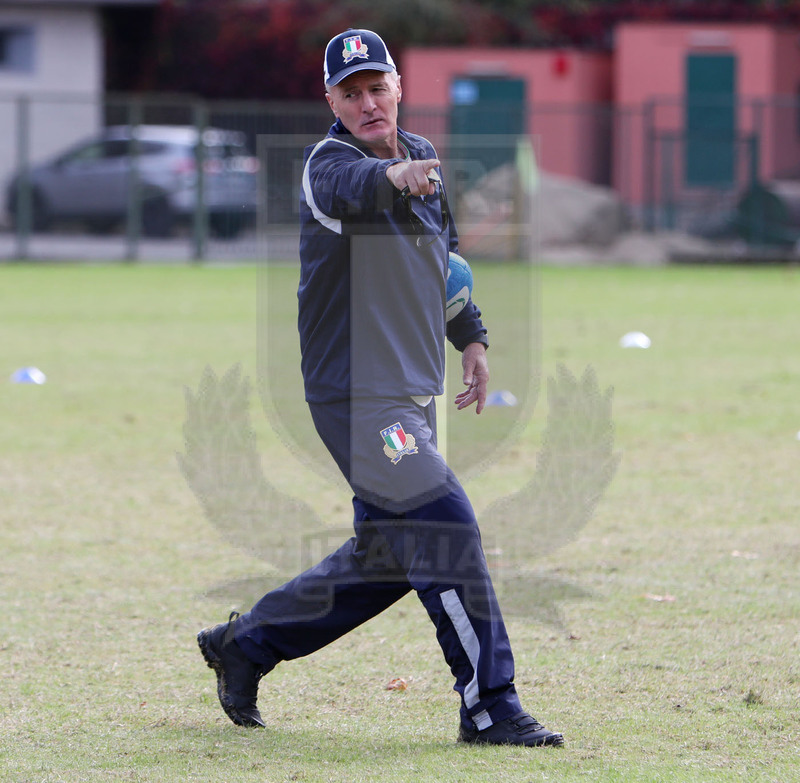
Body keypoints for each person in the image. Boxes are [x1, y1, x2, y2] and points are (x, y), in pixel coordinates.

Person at [197, 28, 564, 748]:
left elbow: (446, 271)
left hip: (413, 393)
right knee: (446, 527)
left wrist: (474, 341)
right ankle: (490, 704)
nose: (367, 102)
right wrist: (393, 177)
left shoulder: (423, 158)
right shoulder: (328, 166)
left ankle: (247, 644)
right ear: (330, 99)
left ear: (398, 85)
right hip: (358, 397)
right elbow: (357, 187)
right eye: (351, 92)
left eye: (377, 87)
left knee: (391, 554)